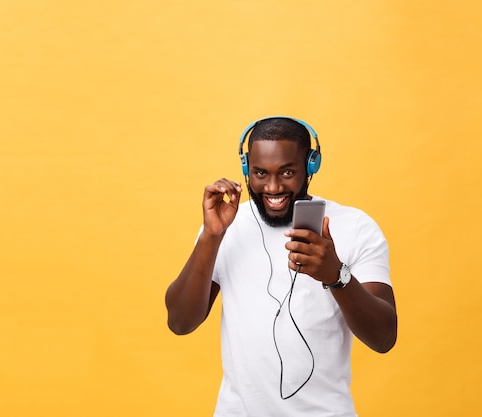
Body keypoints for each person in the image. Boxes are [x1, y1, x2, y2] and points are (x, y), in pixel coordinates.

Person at [165, 116, 397, 417]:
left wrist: (336, 276)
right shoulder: (227, 226)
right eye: (260, 173)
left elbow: (384, 337)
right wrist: (211, 235)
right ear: (247, 169)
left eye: (288, 172)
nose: (273, 187)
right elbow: (180, 322)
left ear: (310, 167)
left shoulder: (356, 227)